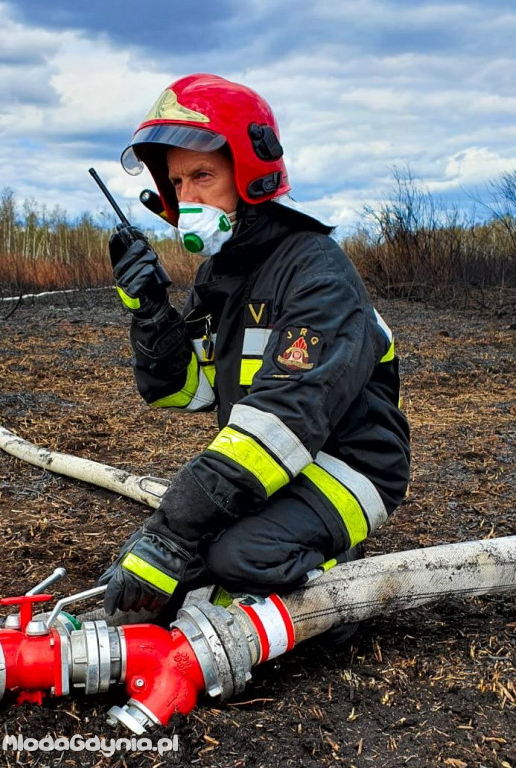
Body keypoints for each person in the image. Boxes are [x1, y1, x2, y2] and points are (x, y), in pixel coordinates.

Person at [99, 73, 410, 623]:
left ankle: (339, 588)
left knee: (235, 556)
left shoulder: (317, 272)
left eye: (202, 176)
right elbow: (186, 391)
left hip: (348, 466)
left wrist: (172, 529)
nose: (187, 198)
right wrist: (150, 313)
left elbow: (283, 419)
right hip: (275, 464)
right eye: (177, 182)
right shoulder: (223, 274)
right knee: (179, 569)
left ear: (249, 175)